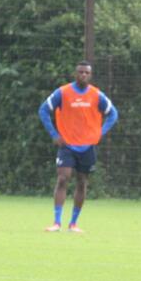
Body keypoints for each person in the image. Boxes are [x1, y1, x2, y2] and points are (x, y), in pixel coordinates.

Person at [38, 61, 119, 232]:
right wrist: (54, 135)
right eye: (81, 72)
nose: (83, 75)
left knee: (82, 182)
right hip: (67, 144)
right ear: (76, 74)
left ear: (90, 75)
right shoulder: (63, 92)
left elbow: (113, 113)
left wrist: (100, 133)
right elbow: (43, 110)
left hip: (87, 146)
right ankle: (57, 222)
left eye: (86, 73)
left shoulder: (96, 95)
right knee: (63, 178)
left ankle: (73, 224)